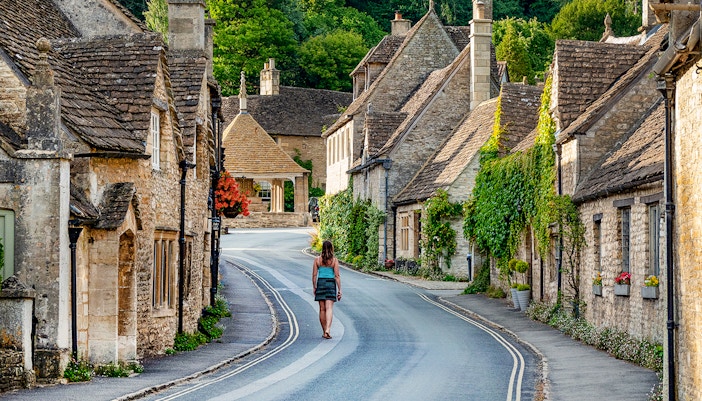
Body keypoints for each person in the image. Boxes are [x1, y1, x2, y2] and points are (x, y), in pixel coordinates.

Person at [312, 240, 342, 339]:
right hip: (330, 283)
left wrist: (315, 286)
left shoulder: (317, 260)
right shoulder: (334, 260)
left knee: (322, 309)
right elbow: (337, 276)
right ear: (331, 248)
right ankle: (328, 329)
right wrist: (339, 290)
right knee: (329, 308)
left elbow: (314, 275)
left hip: (320, 283)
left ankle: (324, 331)